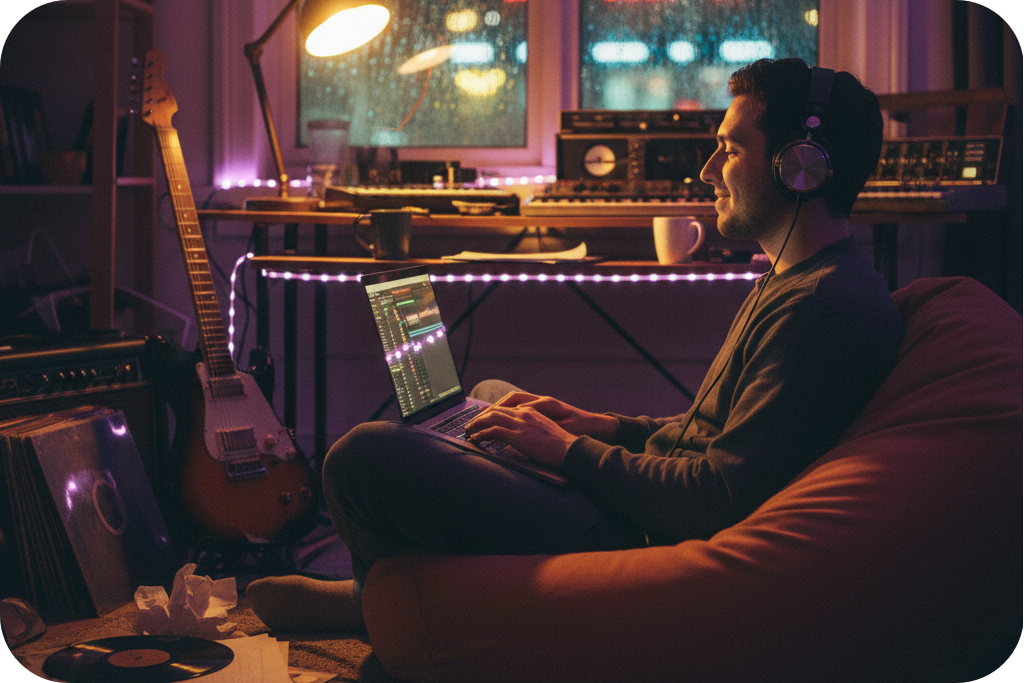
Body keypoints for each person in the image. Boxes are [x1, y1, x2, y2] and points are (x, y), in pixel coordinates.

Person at [246, 58, 904, 633]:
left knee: (360, 454)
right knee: (491, 398)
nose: (707, 171)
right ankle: (405, 579)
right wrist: (598, 425)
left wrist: (570, 452)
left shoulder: (819, 313)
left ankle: (380, 599)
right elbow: (708, 434)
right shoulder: (797, 279)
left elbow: (715, 496)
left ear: (801, 168)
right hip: (637, 501)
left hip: (641, 533)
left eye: (731, 149)